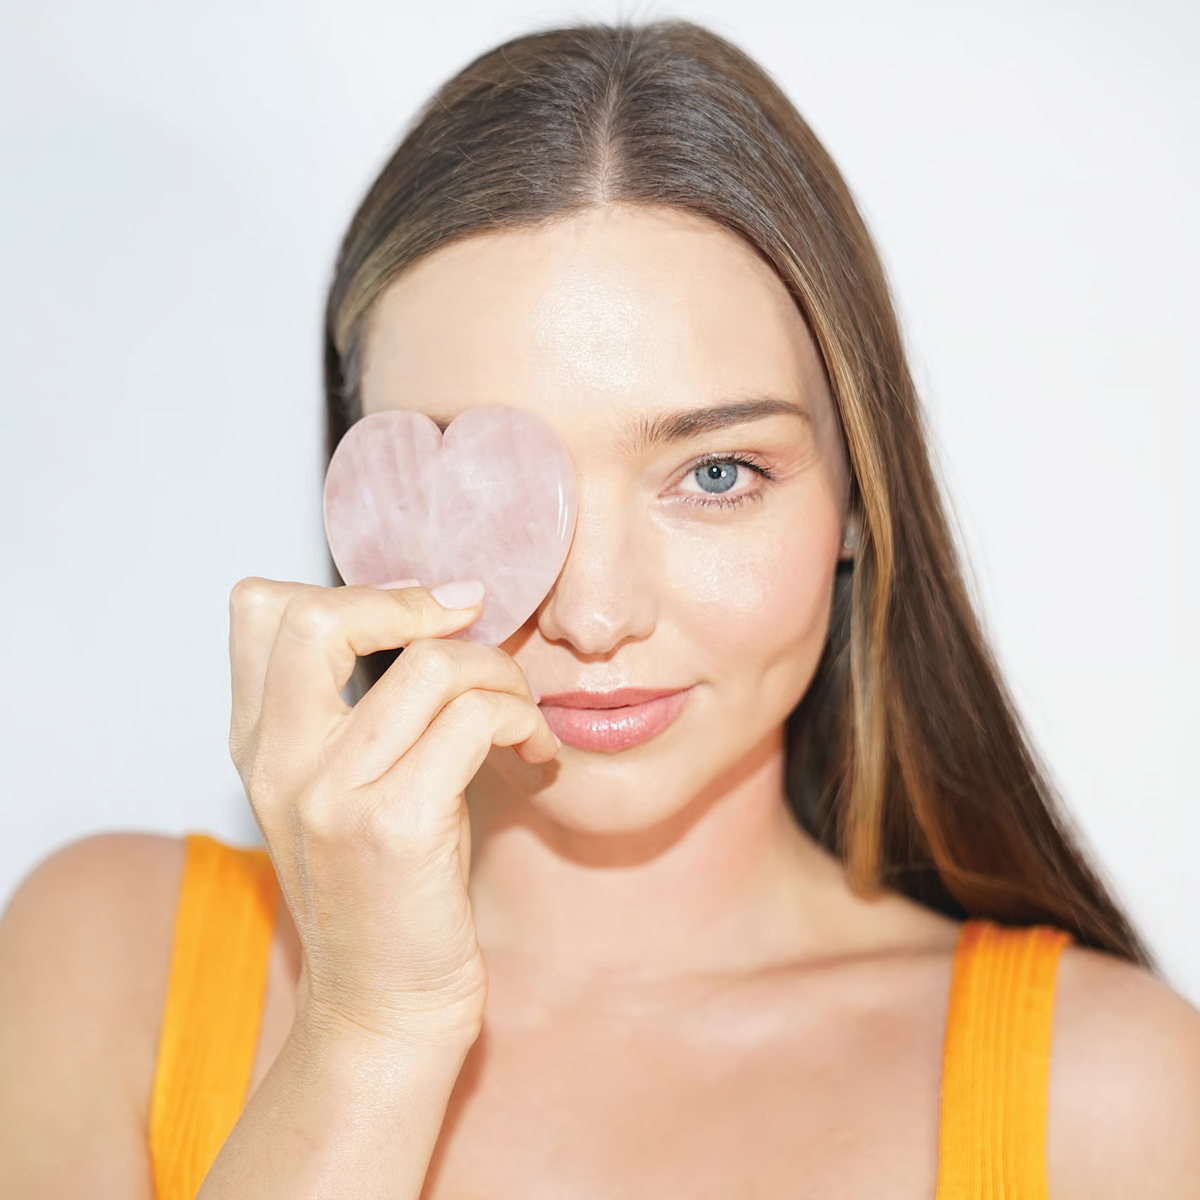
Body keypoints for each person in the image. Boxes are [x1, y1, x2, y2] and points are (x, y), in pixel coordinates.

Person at [1, 17, 1197, 1200]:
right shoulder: (109, 967)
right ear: (367, 497)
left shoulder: (1112, 1099)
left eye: (716, 474)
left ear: (855, 500)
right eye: (493, 485)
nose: (594, 612)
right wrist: (368, 1033)